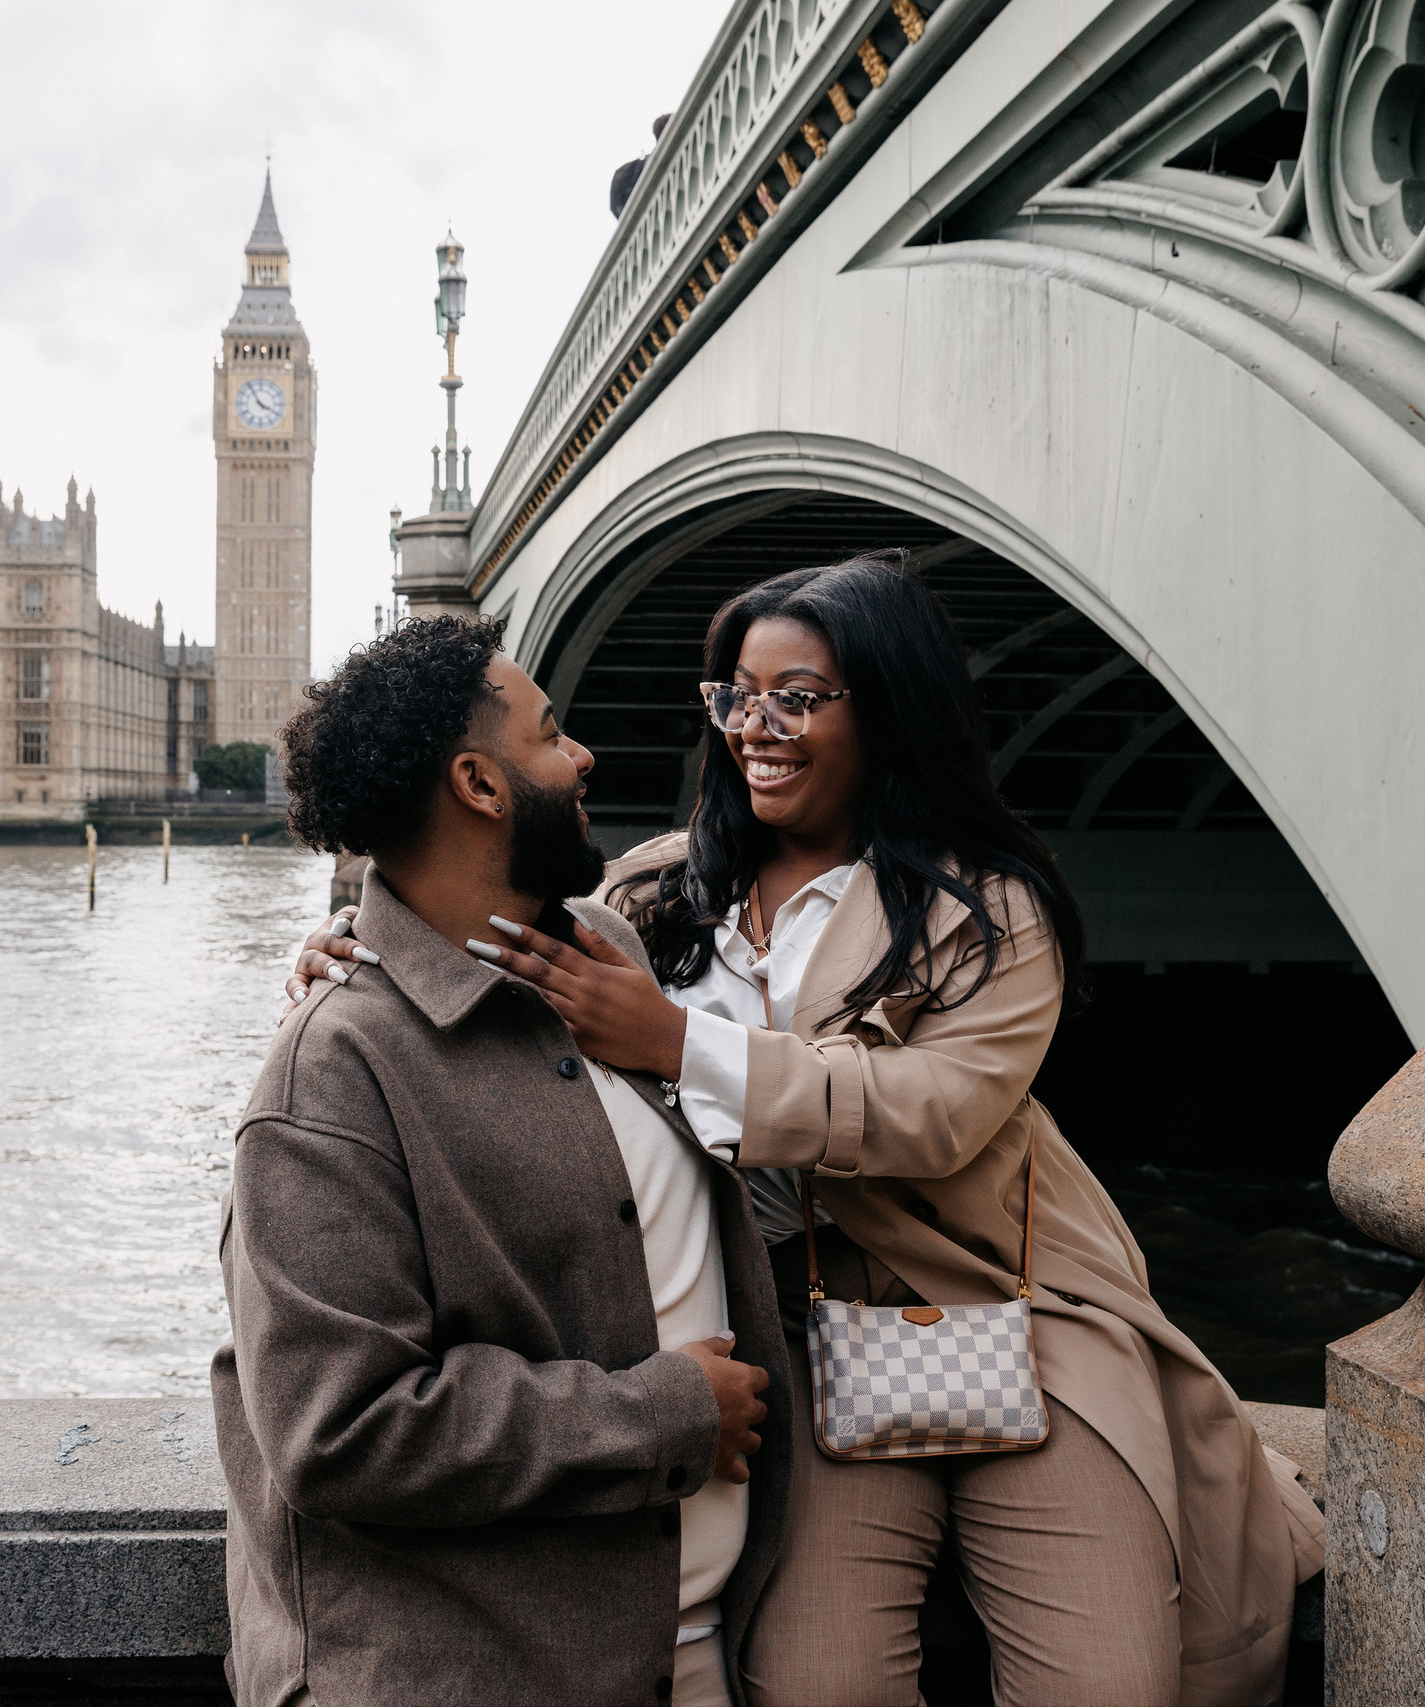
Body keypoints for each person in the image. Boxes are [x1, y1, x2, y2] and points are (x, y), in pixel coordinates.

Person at [292, 559, 1324, 1707]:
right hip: (796, 1340)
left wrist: (680, 1044)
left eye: (797, 697)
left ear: (887, 707)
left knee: (1111, 1680)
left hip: (1016, 1317)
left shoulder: (987, 909)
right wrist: (350, 945)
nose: (754, 727)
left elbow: (932, 1117)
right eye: (734, 695)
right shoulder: (650, 901)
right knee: (812, 1681)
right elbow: (468, 908)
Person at [216, 614, 790, 1707]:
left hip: (698, 1648)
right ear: (480, 784)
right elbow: (340, 1428)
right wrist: (664, 1418)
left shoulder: (598, 948)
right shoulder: (331, 1078)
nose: (583, 756)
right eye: (550, 734)